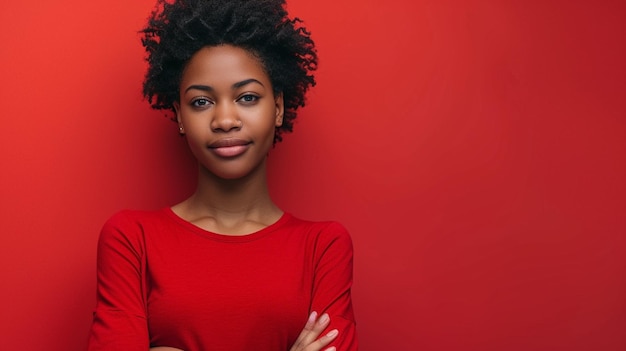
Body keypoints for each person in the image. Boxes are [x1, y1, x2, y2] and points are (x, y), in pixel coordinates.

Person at [86, 0, 358, 350]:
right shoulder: (131, 240)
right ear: (180, 115)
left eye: (246, 97)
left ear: (277, 108)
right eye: (202, 102)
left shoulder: (324, 247)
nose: (225, 120)